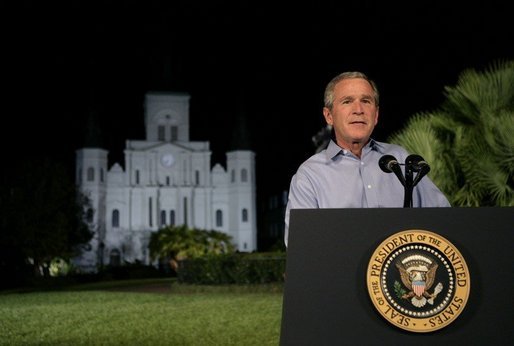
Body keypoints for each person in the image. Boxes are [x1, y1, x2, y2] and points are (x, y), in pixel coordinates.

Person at [284, 71, 450, 247]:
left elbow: (446, 221)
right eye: (347, 101)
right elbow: (301, 246)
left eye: (366, 101)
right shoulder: (310, 175)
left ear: (376, 115)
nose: (358, 110)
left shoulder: (401, 159)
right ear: (329, 116)